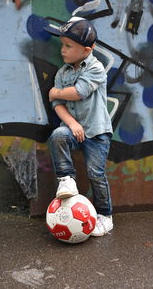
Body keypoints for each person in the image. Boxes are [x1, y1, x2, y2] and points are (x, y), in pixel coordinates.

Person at [44, 17, 113, 237]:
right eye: (62, 45)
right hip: (75, 129)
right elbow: (59, 105)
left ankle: (105, 215)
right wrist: (72, 123)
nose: (62, 50)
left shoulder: (95, 68)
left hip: (97, 131)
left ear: (85, 50)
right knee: (58, 135)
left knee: (96, 174)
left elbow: (79, 92)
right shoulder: (63, 73)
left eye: (68, 46)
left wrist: (55, 92)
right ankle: (67, 179)